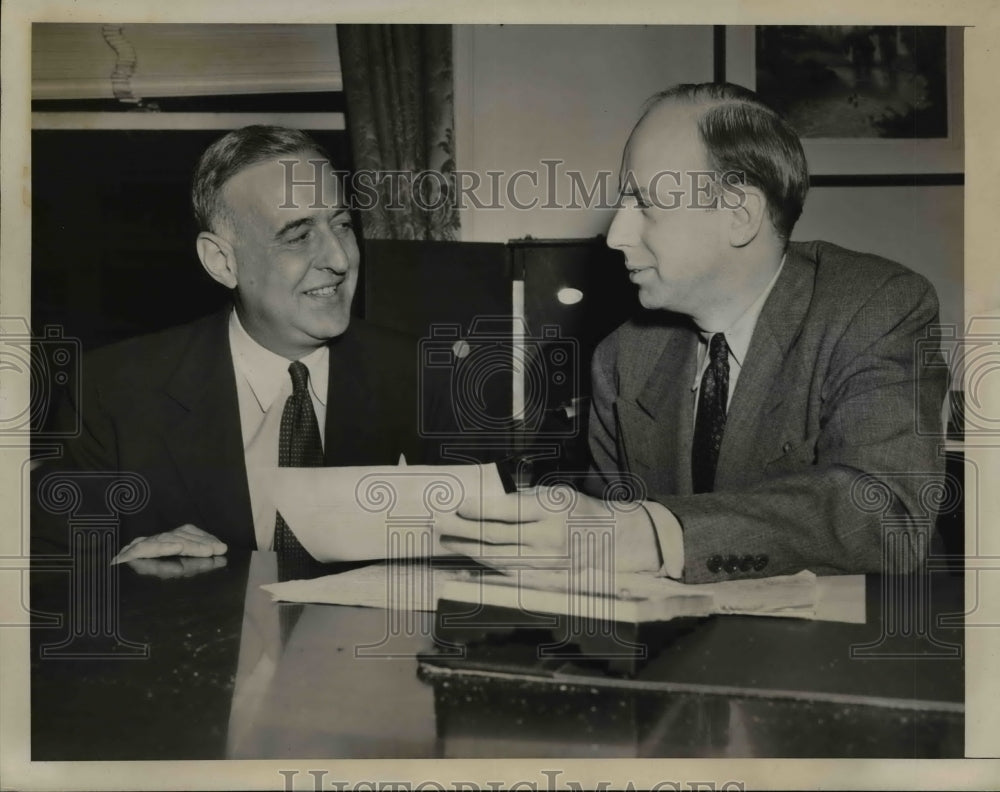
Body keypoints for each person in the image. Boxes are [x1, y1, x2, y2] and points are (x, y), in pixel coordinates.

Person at [438, 82, 947, 582]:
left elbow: (889, 512)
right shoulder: (622, 357)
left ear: (739, 216)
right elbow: (605, 534)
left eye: (644, 205)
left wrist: (653, 535)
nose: (616, 236)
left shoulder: (876, 307)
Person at [32, 126, 448, 565]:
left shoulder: (426, 377)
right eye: (299, 236)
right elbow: (48, 573)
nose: (340, 259)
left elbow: (484, 562)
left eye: (342, 225)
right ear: (222, 262)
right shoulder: (113, 393)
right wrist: (127, 572)